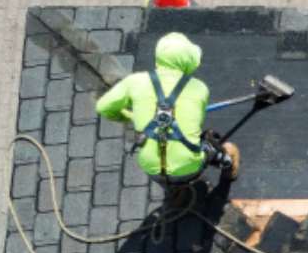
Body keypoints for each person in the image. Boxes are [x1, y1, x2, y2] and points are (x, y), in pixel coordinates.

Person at [96, 31, 241, 194]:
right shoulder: (199, 88)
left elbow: (103, 107)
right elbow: (195, 126)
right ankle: (228, 167)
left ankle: (174, 191)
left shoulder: (134, 81)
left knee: (162, 161)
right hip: (190, 168)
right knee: (224, 147)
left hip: (152, 170)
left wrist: (128, 116)